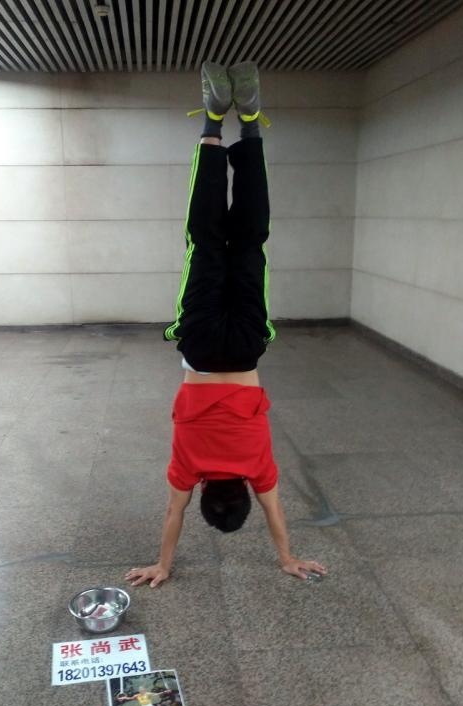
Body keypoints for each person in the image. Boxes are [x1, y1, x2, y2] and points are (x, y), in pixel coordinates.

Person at [125, 62, 328, 589]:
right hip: (198, 345)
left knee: (251, 237)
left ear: (242, 491)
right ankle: (214, 123)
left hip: (245, 347)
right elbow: (172, 514)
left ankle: (252, 124)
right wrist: (162, 565)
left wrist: (287, 557)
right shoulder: (187, 468)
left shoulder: (257, 468)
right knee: (205, 237)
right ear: (205, 492)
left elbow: (275, 512)